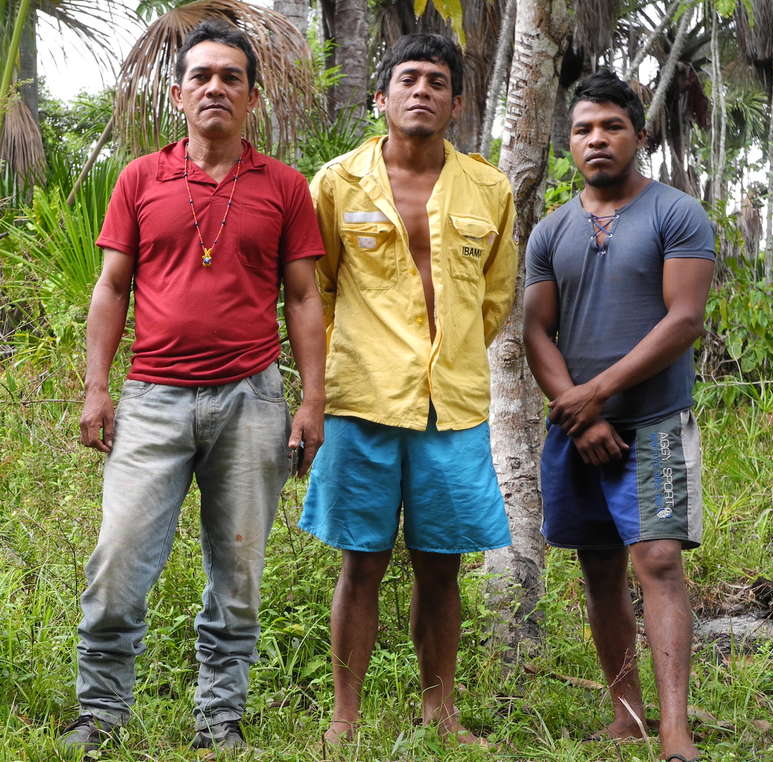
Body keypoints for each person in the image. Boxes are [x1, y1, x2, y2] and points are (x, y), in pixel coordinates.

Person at [61, 20, 326, 752]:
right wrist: (96, 388)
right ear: (178, 94)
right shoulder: (140, 178)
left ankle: (220, 721)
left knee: (238, 572)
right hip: (152, 400)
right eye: (201, 76)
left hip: (251, 400)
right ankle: (102, 714)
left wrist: (311, 399)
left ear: (252, 97)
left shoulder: (284, 187)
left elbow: (303, 298)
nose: (215, 87)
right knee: (118, 562)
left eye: (231, 77)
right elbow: (111, 287)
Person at [298, 33, 516, 747]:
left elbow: (494, 299)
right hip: (361, 400)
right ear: (380, 97)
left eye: (437, 81)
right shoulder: (335, 182)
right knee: (360, 562)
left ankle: (440, 713)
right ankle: (344, 718)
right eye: (409, 78)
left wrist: (446, 358)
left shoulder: (489, 188)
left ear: (457, 102)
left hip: (450, 407)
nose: (422, 90)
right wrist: (331, 381)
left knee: (441, 565)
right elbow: (314, 292)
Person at [523, 69, 714, 762]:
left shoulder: (675, 214)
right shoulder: (550, 231)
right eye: (582, 129)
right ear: (567, 144)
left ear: (640, 134)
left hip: (654, 423)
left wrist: (595, 393)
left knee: (659, 561)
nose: (596, 139)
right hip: (578, 431)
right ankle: (625, 713)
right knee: (599, 568)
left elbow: (684, 320)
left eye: (610, 126)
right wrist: (577, 413)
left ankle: (674, 729)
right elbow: (535, 331)